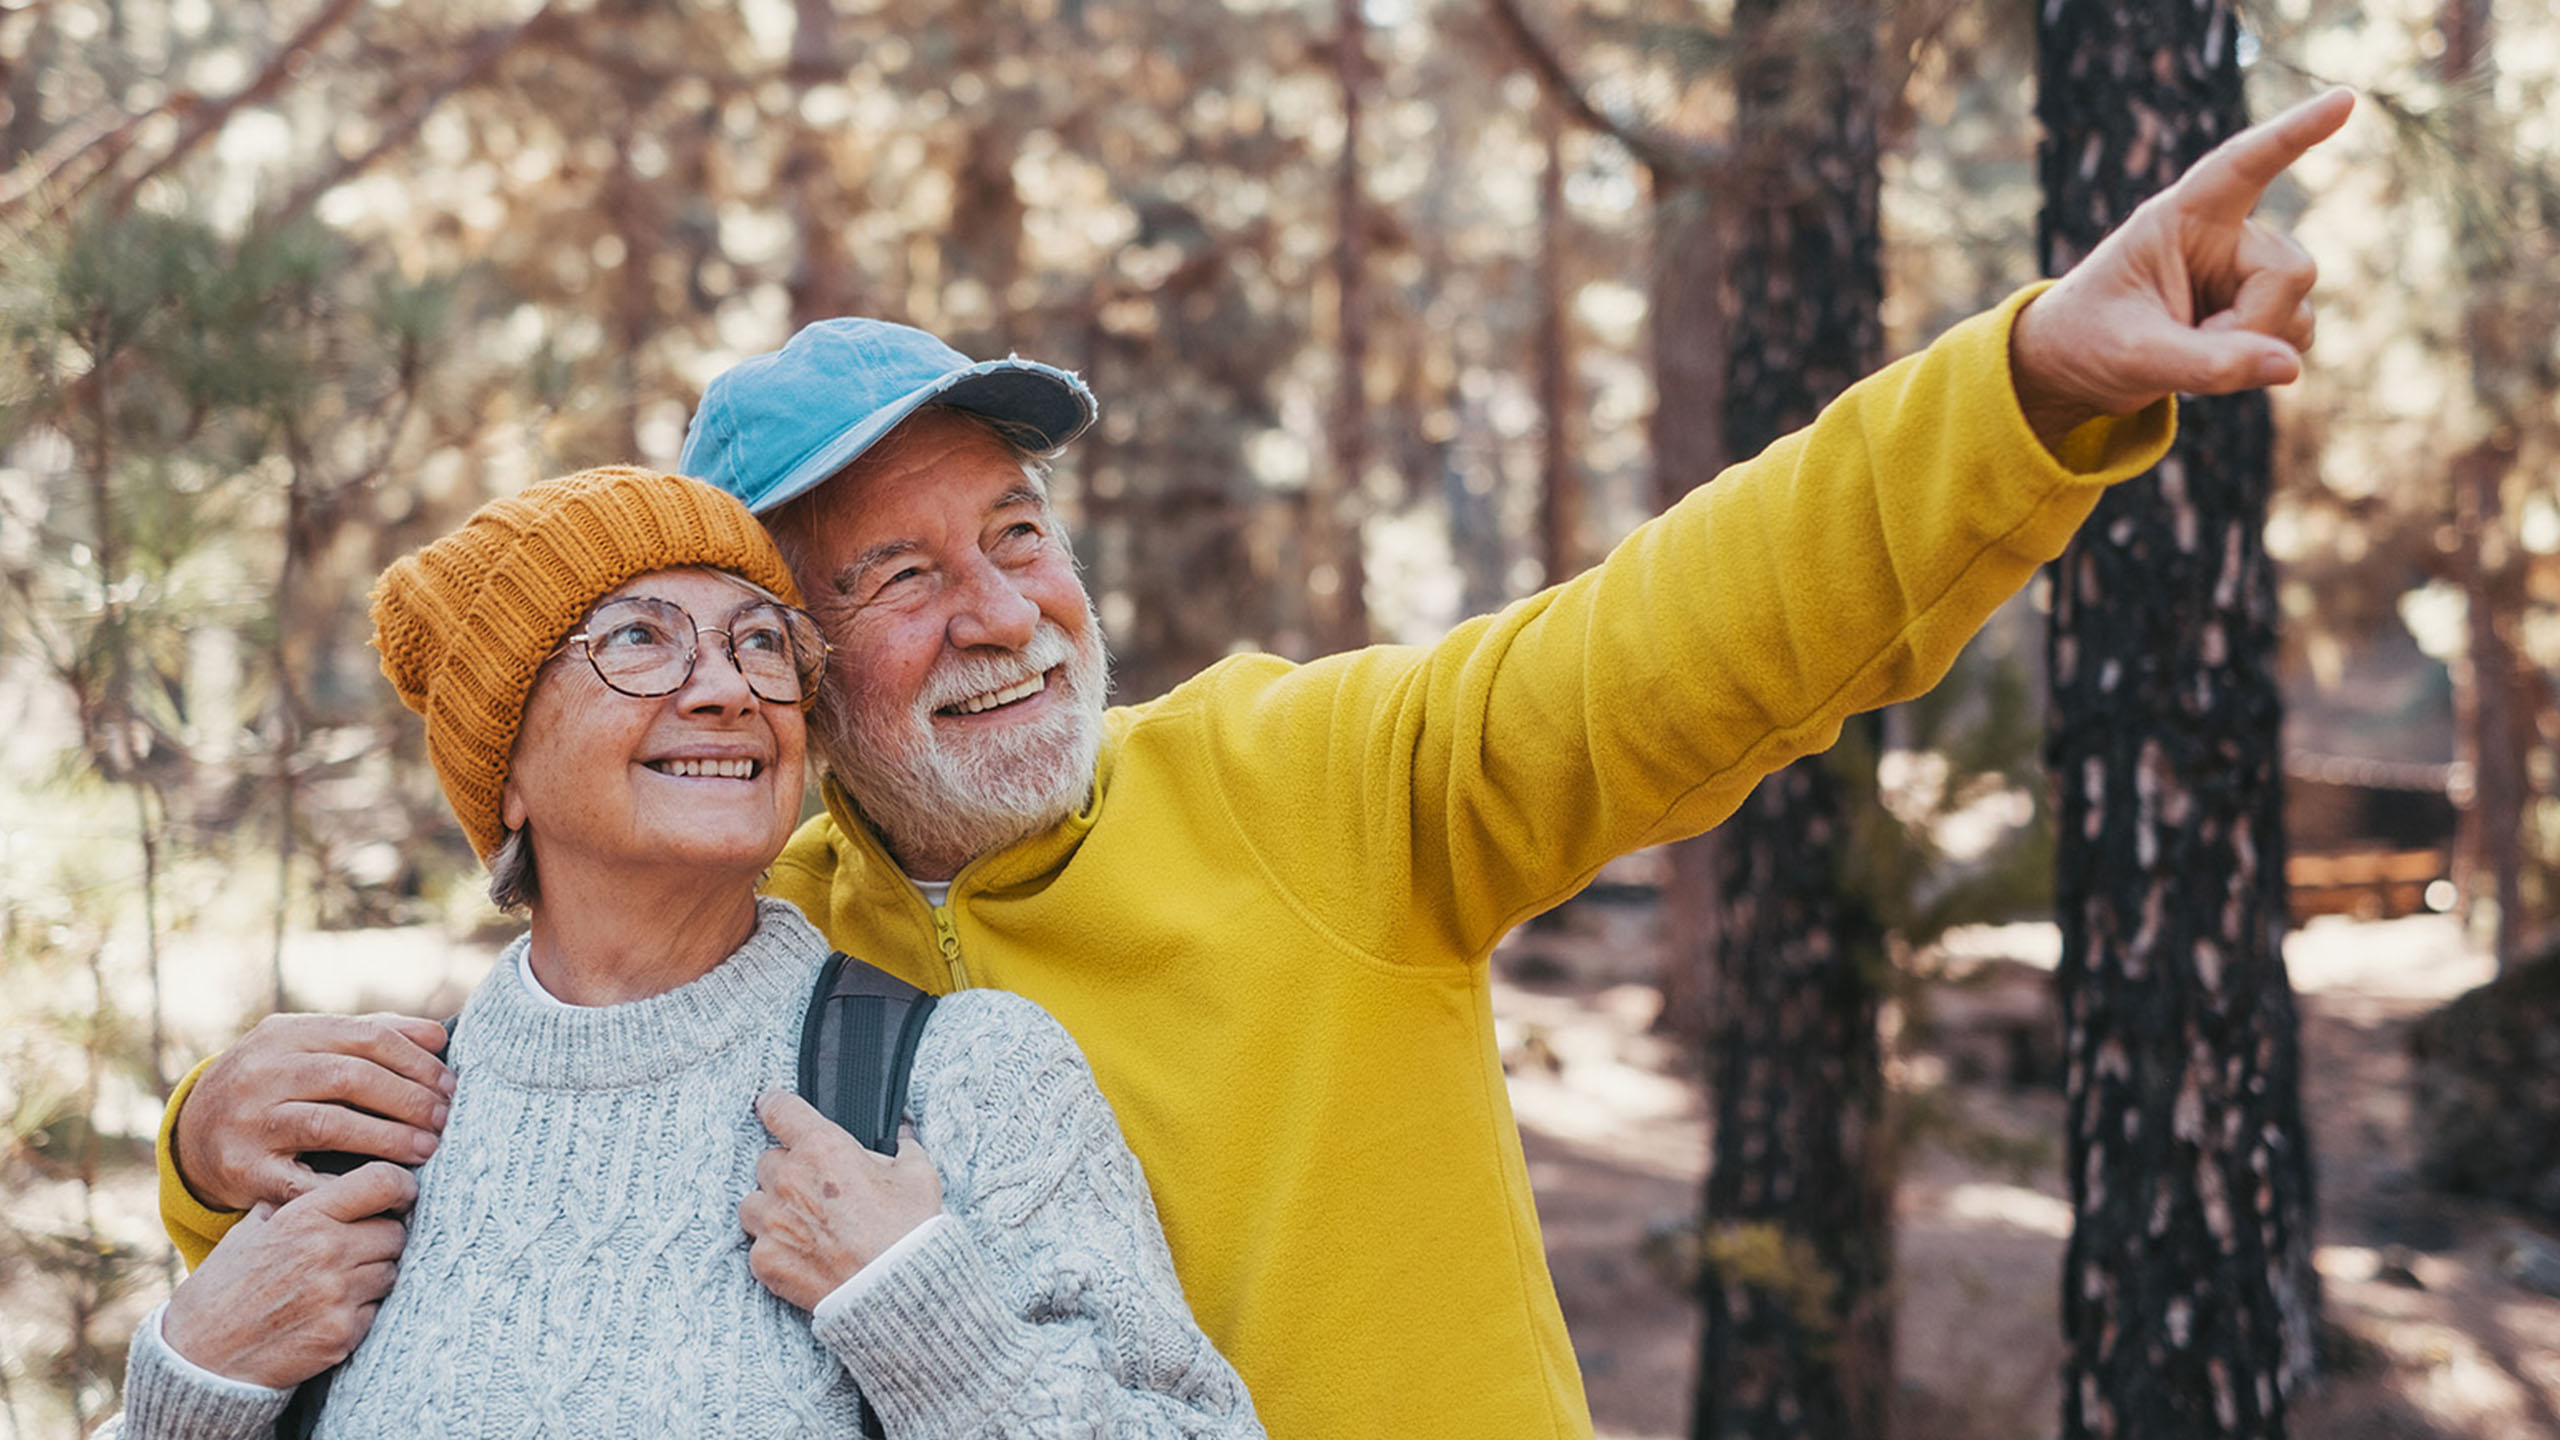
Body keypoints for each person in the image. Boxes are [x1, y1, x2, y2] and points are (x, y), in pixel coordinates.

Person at [149, 91, 2356, 1439]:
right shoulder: (750, 954)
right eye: (895, 580)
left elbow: (1703, 627)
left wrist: (2025, 392)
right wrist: (203, 1146)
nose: (1004, 613)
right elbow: (461, 1247)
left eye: (1015, 536)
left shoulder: (1316, 784)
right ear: (793, 678)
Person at [112, 468, 1261, 1438]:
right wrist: (187, 1384)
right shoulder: (370, 1130)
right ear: (502, 771)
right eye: (637, 641)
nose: (724, 689)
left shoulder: (962, 1077)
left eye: (760, 643)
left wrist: (928, 1318)